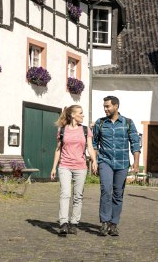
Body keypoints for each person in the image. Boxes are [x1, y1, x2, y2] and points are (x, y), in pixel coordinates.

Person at [92, 95, 141, 237]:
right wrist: (94, 161)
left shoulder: (128, 123)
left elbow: (135, 143)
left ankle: (114, 224)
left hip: (122, 163)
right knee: (106, 191)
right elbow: (94, 143)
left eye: (107, 106)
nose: (105, 109)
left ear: (116, 106)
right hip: (105, 162)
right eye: (104, 106)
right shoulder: (100, 123)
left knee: (118, 194)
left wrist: (136, 164)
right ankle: (104, 222)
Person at [50, 105, 97, 237]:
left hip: (80, 167)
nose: (83, 115)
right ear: (72, 115)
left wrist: (94, 160)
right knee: (65, 194)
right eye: (80, 113)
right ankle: (63, 223)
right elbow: (58, 149)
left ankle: (74, 223)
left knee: (78, 196)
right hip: (64, 166)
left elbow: (90, 147)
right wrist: (54, 167)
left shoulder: (86, 130)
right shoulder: (63, 130)